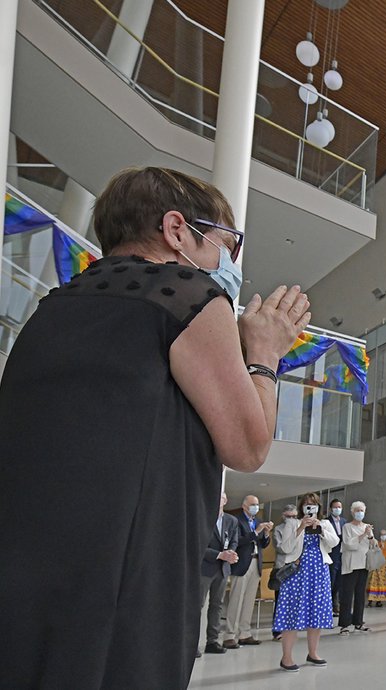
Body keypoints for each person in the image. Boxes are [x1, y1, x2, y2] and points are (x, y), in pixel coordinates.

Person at [0, 166, 309, 688]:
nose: (228, 264)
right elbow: (248, 446)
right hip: (124, 580)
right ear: (176, 230)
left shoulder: (54, 305)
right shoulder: (185, 293)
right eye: (225, 243)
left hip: (26, 578)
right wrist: (263, 354)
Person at [274, 493, 339, 672]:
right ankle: (286, 657)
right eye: (307, 505)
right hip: (297, 573)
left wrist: (321, 529)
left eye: (314, 505)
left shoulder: (325, 523)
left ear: (319, 508)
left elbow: (334, 543)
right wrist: (301, 527)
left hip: (319, 572)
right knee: (291, 614)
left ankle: (313, 653)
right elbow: (285, 548)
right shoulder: (292, 523)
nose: (310, 508)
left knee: (316, 612)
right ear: (301, 507)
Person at [223, 494, 273, 648]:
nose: (255, 507)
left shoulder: (257, 521)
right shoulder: (237, 521)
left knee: (249, 601)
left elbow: (263, 544)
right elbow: (237, 541)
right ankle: (230, 635)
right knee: (236, 600)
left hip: (256, 562)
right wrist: (256, 532)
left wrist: (265, 533)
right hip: (242, 563)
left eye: (257, 504)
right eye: (253, 504)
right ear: (244, 506)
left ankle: (245, 633)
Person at [199, 492, 240, 656]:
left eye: (221, 497)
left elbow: (234, 541)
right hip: (205, 568)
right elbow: (198, 544)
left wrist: (230, 554)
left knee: (216, 606)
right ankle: (192, 643)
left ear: (225, 500)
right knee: (198, 606)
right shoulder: (202, 518)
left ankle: (212, 641)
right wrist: (218, 555)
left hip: (222, 569)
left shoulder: (231, 521)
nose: (218, 499)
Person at [337, 501, 375, 634]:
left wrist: (370, 535)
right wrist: (363, 534)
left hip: (363, 564)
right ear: (353, 512)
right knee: (347, 595)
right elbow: (348, 544)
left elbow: (373, 545)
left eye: (362, 510)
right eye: (357, 510)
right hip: (351, 565)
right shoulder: (347, 527)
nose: (360, 513)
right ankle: (344, 624)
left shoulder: (367, 527)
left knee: (360, 595)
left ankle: (358, 622)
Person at [271, 504, 299, 641]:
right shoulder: (278, 529)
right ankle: (277, 630)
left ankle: (291, 628)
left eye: (294, 516)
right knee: (280, 600)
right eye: (289, 517)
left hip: (297, 566)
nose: (292, 519)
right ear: (283, 516)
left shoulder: (301, 527)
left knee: (294, 601)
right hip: (282, 566)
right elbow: (281, 548)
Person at [327, 498, 346, 615]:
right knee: (331, 579)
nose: (337, 509)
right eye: (335, 507)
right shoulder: (326, 521)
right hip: (331, 553)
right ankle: (329, 604)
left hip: (342, 553)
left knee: (339, 581)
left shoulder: (344, 521)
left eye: (339, 507)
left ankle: (336, 603)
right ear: (331, 509)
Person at [367, 528, 386, 607]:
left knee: (382, 582)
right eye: (382, 534)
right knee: (373, 581)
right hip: (376, 564)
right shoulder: (376, 543)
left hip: (384, 565)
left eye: (384, 534)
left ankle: (379, 600)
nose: (383, 536)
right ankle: (370, 600)